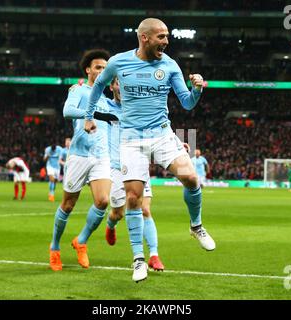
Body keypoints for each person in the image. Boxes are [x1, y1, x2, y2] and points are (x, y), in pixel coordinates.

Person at [84, 18, 216, 282]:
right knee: (133, 198)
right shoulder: (119, 62)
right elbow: (98, 86)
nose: (166, 41)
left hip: (162, 134)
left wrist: (197, 89)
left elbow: (187, 104)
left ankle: (196, 226)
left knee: (191, 177)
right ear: (145, 38)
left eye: (167, 36)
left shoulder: (169, 65)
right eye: (161, 37)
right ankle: (138, 259)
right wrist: (88, 116)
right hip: (131, 138)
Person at [49, 49, 118, 272]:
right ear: (88, 70)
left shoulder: (108, 101)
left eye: (105, 68)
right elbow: (67, 111)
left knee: (103, 201)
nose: (102, 71)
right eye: (98, 67)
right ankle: (55, 247)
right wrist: (93, 116)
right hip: (79, 155)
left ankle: (81, 241)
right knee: (68, 205)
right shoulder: (79, 90)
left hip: (102, 157)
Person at [105, 77, 165, 271]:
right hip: (116, 167)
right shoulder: (105, 106)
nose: (121, 87)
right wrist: (80, 88)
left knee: (145, 209)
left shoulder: (140, 108)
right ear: (111, 86)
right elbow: (84, 103)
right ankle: (111, 224)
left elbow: (159, 127)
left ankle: (154, 255)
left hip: (138, 163)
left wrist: (177, 144)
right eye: (117, 83)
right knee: (118, 213)